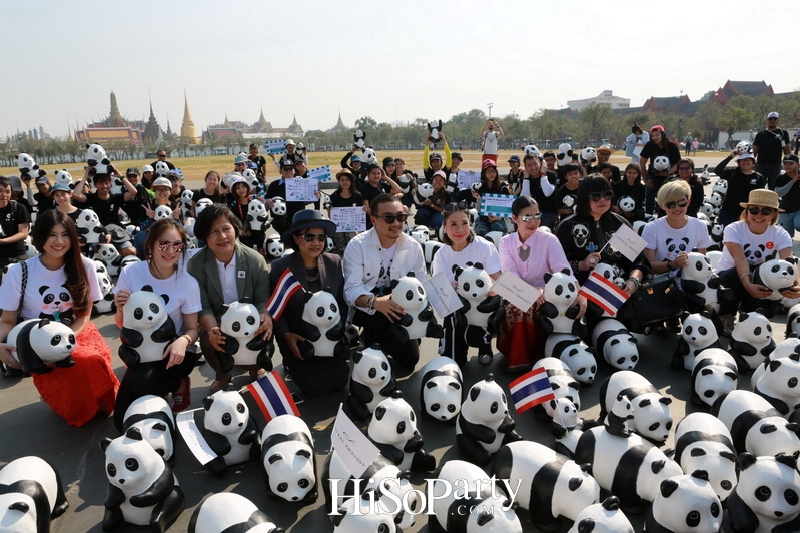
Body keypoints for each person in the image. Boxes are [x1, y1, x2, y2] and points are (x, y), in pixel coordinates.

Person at [0, 210, 118, 426]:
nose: (59, 241)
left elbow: (84, 315)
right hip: (38, 345)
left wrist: (65, 341)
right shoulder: (19, 272)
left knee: (93, 370)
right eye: (52, 235)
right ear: (39, 237)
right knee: (75, 405)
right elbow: (7, 321)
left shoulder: (86, 266)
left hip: (77, 333)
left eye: (65, 234)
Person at [112, 219, 201, 428]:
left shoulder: (188, 283)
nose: (170, 251)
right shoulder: (131, 273)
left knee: (143, 386)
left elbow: (192, 329)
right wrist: (120, 308)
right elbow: (121, 323)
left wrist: (183, 340)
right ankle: (165, 387)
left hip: (173, 353)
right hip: (141, 352)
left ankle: (177, 382)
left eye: (177, 245)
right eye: (163, 244)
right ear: (150, 245)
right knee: (120, 421)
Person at [187, 205, 273, 392]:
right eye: (214, 232)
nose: (222, 236)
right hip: (219, 320)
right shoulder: (196, 264)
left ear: (236, 229)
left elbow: (261, 300)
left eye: (226, 229)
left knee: (264, 328)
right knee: (209, 338)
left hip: (249, 320)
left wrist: (264, 315)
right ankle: (223, 374)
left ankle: (255, 367)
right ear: (204, 237)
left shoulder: (255, 260)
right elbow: (203, 305)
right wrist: (211, 329)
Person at [498, 196, 586, 370]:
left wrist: (580, 293)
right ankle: (520, 359)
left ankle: (539, 355)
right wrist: (532, 291)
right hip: (517, 292)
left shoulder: (549, 239)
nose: (533, 221)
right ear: (515, 218)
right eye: (527, 217)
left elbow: (563, 270)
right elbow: (510, 276)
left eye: (537, 216)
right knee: (520, 305)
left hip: (549, 294)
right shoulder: (506, 242)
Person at [343, 194, 428, 373]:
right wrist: (376, 303)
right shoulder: (357, 245)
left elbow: (422, 283)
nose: (396, 223)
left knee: (410, 360)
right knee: (380, 344)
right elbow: (351, 290)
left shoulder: (414, 247)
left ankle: (386, 335)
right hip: (369, 305)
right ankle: (371, 334)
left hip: (401, 305)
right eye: (389, 218)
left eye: (401, 217)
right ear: (373, 219)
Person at [270, 210, 348, 395]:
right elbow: (275, 309)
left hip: (329, 337)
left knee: (339, 382)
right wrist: (287, 336)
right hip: (299, 339)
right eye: (309, 237)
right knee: (313, 388)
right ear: (296, 238)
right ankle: (291, 362)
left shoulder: (333, 261)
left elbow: (340, 302)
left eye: (321, 237)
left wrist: (338, 331)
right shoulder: (281, 266)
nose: (316, 242)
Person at [714, 189, 800, 332]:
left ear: (774, 214)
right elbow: (740, 259)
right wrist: (748, 285)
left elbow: (789, 260)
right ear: (747, 211)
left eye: (766, 211)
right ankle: (726, 315)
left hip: (758, 276)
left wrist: (797, 284)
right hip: (729, 277)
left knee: (775, 277)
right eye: (754, 210)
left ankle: (751, 313)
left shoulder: (780, 233)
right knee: (736, 275)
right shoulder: (734, 229)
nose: (759, 215)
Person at [432, 202, 501, 367]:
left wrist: (491, 291)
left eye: (464, 223)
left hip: (484, 305)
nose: (460, 229)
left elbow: (498, 278)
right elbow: (439, 290)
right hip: (458, 308)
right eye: (453, 224)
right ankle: (455, 349)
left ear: (470, 224)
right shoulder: (441, 254)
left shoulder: (484, 246)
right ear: (444, 227)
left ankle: (485, 345)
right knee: (454, 361)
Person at [556, 175, 648, 290]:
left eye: (607, 194)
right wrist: (580, 265)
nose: (603, 200)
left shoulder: (620, 224)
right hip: (582, 293)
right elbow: (554, 265)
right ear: (584, 198)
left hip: (621, 290)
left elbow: (640, 261)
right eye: (596, 196)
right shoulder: (567, 227)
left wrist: (634, 281)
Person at [72, 167, 138, 256]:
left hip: (115, 232)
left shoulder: (115, 198)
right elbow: (75, 194)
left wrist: (120, 176)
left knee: (131, 251)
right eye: (100, 183)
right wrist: (85, 177)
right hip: (97, 234)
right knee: (103, 254)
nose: (104, 186)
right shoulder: (91, 198)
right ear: (95, 184)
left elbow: (133, 191)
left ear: (110, 184)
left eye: (107, 183)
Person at [714, 148, 766, 227]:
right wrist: (731, 156)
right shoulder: (733, 173)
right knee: (725, 235)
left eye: (748, 160)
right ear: (738, 162)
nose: (745, 162)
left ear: (753, 162)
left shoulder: (759, 177)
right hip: (728, 211)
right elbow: (717, 170)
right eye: (742, 160)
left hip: (748, 213)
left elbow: (759, 197)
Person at [639, 125, 681, 215]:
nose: (655, 137)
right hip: (653, 175)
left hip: (668, 176)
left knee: (666, 197)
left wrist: (668, 173)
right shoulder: (649, 145)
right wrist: (645, 180)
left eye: (657, 135)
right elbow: (642, 162)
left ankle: (665, 215)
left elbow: (678, 163)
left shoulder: (672, 146)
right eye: (653, 135)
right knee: (650, 193)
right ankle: (648, 216)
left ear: (663, 134)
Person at [513, 153, 559, 230]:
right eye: (529, 165)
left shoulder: (551, 175)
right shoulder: (524, 177)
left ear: (541, 164)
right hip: (530, 212)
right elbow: (525, 198)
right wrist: (526, 179)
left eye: (535, 164)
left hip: (547, 212)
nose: (533, 167)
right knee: (521, 228)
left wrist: (543, 174)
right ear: (525, 167)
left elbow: (547, 193)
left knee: (542, 230)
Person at [328, 168, 365, 254]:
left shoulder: (357, 196)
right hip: (339, 227)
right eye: (342, 180)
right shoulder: (334, 196)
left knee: (351, 234)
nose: (345, 182)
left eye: (347, 180)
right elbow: (331, 217)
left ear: (351, 181)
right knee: (339, 240)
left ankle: (354, 252)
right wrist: (328, 210)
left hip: (353, 226)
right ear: (339, 182)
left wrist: (364, 210)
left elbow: (360, 217)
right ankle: (341, 251)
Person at [469, 159, 511, 236]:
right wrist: (478, 198)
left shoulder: (503, 186)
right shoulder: (479, 187)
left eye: (493, 171)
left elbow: (508, 208)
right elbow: (478, 210)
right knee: (481, 231)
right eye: (488, 172)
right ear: (484, 173)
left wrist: (499, 218)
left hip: (500, 218)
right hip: (483, 218)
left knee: (497, 228)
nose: (492, 174)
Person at [753, 111, 791, 189]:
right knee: (759, 185)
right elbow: (755, 149)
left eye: (774, 119)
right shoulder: (760, 134)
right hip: (761, 164)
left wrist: (789, 161)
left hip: (775, 164)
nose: (772, 120)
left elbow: (786, 148)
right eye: (770, 119)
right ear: (767, 120)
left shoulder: (783, 133)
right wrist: (752, 161)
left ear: (778, 120)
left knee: (773, 186)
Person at [228, 177, 265, 256]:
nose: (241, 190)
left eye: (243, 187)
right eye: (238, 188)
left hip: (256, 228)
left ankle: (260, 247)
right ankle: (249, 253)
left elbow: (263, 214)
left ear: (247, 188)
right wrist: (243, 230)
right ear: (234, 191)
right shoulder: (234, 204)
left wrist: (263, 203)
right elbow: (234, 220)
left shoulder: (255, 199)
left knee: (259, 234)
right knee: (246, 242)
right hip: (243, 229)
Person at [0, 175, 31, 269]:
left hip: (16, 256)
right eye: (0, 191)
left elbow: (23, 233)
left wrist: (2, 241)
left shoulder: (18, 208)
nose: (4, 195)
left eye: (7, 191)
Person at [775, 154, 800, 238]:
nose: (787, 166)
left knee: (799, 224)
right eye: (785, 164)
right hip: (786, 210)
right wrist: (793, 181)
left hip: (799, 209)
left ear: (798, 164)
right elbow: (778, 193)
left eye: (791, 163)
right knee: (786, 236)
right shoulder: (781, 178)